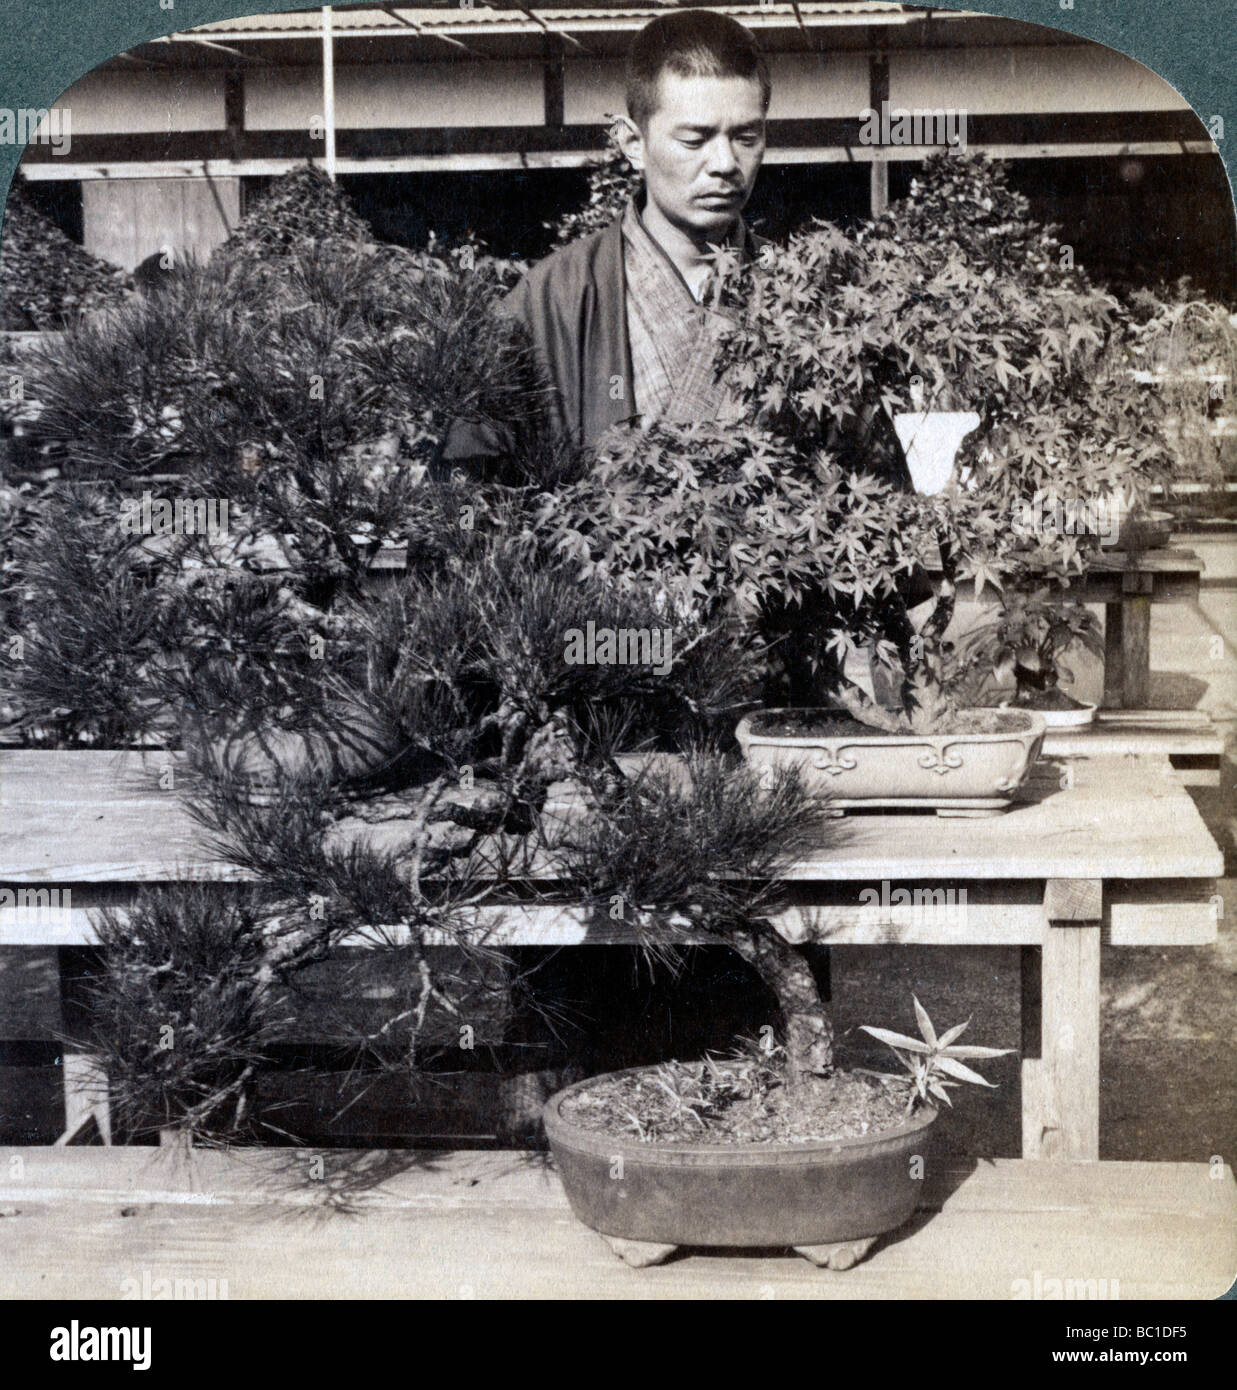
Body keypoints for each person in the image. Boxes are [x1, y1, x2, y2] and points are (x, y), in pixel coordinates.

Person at [446, 7, 771, 456]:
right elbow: (473, 481)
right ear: (634, 144)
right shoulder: (548, 300)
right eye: (694, 140)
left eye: (746, 137)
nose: (725, 164)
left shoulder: (801, 289)